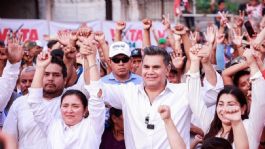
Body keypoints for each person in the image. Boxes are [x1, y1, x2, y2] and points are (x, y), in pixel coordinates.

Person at [87, 45, 194, 148]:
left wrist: (201, 62)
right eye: (146, 67)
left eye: (156, 67)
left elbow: (210, 94)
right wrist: (91, 58)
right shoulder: (127, 92)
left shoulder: (185, 92)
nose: (150, 72)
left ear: (167, 69)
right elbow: (96, 89)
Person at [188, 46, 265, 148]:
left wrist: (253, 65)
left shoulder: (250, 126)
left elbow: (260, 101)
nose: (225, 109)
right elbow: (194, 100)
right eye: (221, 104)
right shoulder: (211, 126)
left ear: (243, 109)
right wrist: (194, 62)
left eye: (231, 104)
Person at [27, 52, 105, 149]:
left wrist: (90, 58)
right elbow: (34, 102)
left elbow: (96, 94)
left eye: (75, 106)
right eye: (65, 106)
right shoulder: (52, 126)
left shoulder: (93, 126)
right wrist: (40, 68)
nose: (69, 110)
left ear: (85, 110)